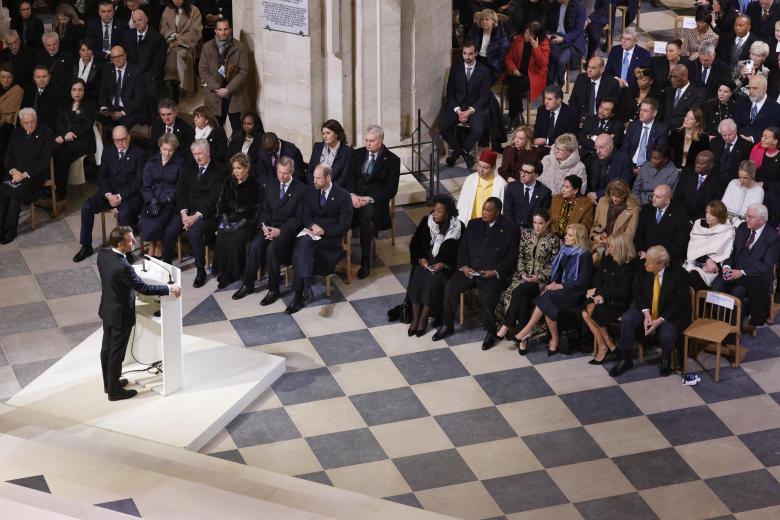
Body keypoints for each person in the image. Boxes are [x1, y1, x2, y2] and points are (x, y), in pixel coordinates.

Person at [97, 226, 181, 401]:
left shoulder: (104, 254)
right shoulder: (123, 268)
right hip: (121, 315)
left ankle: (109, 384)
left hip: (108, 309)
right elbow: (143, 288)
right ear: (120, 244)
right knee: (116, 354)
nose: (134, 241)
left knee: (107, 349)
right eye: (130, 240)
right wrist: (169, 288)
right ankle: (114, 393)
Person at [432, 197, 519, 350]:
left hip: (491, 274)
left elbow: (511, 259)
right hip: (469, 270)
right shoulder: (474, 224)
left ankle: (490, 331)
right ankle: (448, 324)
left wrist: (494, 272)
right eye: (483, 209)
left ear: (497, 212)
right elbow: (463, 248)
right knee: (450, 288)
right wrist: (464, 266)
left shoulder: (511, 229)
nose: (484, 213)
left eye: (488, 210)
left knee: (486, 298)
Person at [232, 156, 306, 303]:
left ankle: (274, 289)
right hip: (269, 227)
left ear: (292, 171)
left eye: (285, 173)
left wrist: (281, 231)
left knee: (272, 249)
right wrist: (264, 227)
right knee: (255, 245)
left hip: (287, 232)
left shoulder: (301, 189)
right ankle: (248, 284)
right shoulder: (270, 184)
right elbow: (264, 209)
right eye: (279, 172)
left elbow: (298, 219)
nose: (282, 176)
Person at [513, 223, 593, 355]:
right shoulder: (565, 250)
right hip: (562, 290)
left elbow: (583, 282)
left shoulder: (584, 255)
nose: (565, 237)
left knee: (548, 298)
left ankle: (528, 330)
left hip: (575, 293)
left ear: (579, 238)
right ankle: (554, 340)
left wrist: (560, 286)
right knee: (548, 299)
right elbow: (558, 273)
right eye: (566, 234)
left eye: (570, 235)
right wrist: (551, 285)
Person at [610, 245, 690, 377]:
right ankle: (625, 358)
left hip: (669, 313)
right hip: (647, 307)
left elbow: (678, 304)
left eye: (649, 262)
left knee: (667, 334)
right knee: (628, 319)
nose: (645, 263)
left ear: (659, 264)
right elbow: (637, 291)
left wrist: (659, 321)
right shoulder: (643, 267)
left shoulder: (680, 274)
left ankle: (665, 359)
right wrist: (646, 312)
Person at [285, 163, 353, 315]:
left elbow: (345, 225)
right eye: (313, 177)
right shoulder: (311, 191)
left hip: (329, 240)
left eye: (317, 178)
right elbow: (305, 214)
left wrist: (325, 231)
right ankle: (302, 291)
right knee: (303, 245)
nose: (313, 181)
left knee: (301, 251)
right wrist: (312, 224)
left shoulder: (343, 196)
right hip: (311, 233)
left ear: (328, 178)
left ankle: (301, 292)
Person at [73, 126, 146, 262]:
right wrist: (108, 195)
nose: (120, 143)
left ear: (129, 137)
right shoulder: (108, 151)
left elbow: (139, 181)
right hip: (109, 193)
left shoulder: (139, 153)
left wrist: (120, 196)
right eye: (117, 141)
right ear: (113, 140)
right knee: (87, 207)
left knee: (124, 214)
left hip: (129, 195)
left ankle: (126, 251)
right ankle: (86, 246)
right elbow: (102, 177)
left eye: (123, 140)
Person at [343, 125, 401, 279]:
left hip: (375, 202)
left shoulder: (393, 160)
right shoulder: (357, 154)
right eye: (366, 140)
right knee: (339, 209)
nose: (368, 144)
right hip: (354, 198)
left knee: (366, 215)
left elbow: (391, 190)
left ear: (381, 141)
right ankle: (336, 253)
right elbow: (349, 178)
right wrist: (353, 195)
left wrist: (369, 199)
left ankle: (365, 259)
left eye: (372, 141)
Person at [495, 208, 560, 341]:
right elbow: (520, 257)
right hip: (523, 277)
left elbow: (553, 265)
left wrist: (539, 276)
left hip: (540, 281)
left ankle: (506, 326)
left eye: (540, 223)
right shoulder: (526, 235)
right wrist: (523, 273)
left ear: (548, 223)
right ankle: (522, 338)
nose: (537, 226)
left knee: (519, 291)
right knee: (522, 298)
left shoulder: (554, 240)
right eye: (534, 223)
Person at [711, 204, 780, 327]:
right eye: (746, 216)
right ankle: (718, 325)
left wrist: (742, 272)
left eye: (750, 217)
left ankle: (732, 332)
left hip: (752, 276)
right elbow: (731, 251)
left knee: (737, 292)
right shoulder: (743, 228)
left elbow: (766, 265)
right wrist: (727, 267)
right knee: (716, 287)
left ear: (762, 220)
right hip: (733, 269)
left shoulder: (772, 236)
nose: (746, 219)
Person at [406, 195, 465, 336]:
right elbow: (415, 243)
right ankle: (415, 318)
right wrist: (420, 258)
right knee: (417, 276)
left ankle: (423, 319)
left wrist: (444, 263)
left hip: (445, 266)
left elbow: (461, 252)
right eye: (434, 210)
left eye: (439, 211)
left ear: (447, 214)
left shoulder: (458, 227)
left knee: (433, 280)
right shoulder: (426, 221)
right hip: (427, 259)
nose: (435, 214)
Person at [176, 139, 227, 288]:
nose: (197, 157)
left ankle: (200, 271)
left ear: (208, 152)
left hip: (209, 214)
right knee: (171, 227)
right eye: (194, 154)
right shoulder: (189, 167)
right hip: (188, 211)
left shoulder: (219, 170)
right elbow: (181, 191)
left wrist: (196, 216)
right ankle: (166, 264)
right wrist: (184, 214)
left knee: (194, 232)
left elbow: (213, 199)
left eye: (200, 153)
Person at [0, 108, 54, 244]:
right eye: (26, 123)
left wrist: (23, 175)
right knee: (2, 191)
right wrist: (13, 171)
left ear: (36, 120)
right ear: (21, 122)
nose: (30, 125)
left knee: (14, 195)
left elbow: (44, 162)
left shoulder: (46, 133)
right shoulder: (16, 132)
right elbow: (8, 155)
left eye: (32, 122)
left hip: (33, 177)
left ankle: (10, 230)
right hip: (15, 175)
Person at [582, 232, 638, 364]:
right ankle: (609, 344)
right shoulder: (608, 258)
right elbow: (598, 279)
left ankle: (605, 347)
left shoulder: (630, 265)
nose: (608, 249)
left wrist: (601, 294)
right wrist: (597, 294)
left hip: (619, 302)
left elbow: (622, 291)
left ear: (620, 248)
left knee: (589, 312)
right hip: (603, 297)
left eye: (611, 246)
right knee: (585, 311)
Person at [440, 39, 493, 169]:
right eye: (464, 53)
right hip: (457, 106)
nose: (467, 57)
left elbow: (485, 96)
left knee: (478, 129)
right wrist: (458, 110)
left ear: (476, 54)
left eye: (470, 54)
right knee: (443, 128)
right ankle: (462, 152)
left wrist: (469, 111)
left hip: (475, 108)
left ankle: (457, 153)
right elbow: (450, 93)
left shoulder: (484, 71)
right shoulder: (455, 68)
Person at [212, 153, 262, 289]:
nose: (236, 171)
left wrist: (237, 226)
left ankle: (232, 274)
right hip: (229, 219)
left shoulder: (255, 185)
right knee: (221, 236)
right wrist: (227, 222)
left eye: (239, 168)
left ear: (247, 168)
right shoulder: (228, 182)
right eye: (234, 168)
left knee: (234, 240)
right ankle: (223, 271)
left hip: (246, 223)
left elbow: (254, 211)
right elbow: (221, 204)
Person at [198, 18, 249, 135]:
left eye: (226, 29)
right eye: (220, 29)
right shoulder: (207, 47)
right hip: (215, 95)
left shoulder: (240, 47)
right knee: (214, 130)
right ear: (215, 31)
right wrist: (217, 88)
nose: (223, 32)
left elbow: (244, 71)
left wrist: (228, 89)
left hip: (235, 94)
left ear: (230, 30)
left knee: (238, 131)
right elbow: (203, 70)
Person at [138, 133, 184, 262]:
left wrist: (167, 199)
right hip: (151, 200)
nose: (167, 153)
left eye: (170, 150)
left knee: (158, 222)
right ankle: (152, 243)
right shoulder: (151, 161)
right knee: (143, 222)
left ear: (174, 150)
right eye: (165, 149)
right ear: (160, 148)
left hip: (169, 202)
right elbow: (145, 185)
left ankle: (158, 243)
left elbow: (180, 186)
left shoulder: (180, 163)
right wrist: (151, 200)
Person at [52, 79, 96, 202]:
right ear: (70, 91)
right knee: (51, 149)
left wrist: (72, 134)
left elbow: (86, 126)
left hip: (83, 140)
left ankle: (60, 191)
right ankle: (49, 186)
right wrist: (64, 134)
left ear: (84, 91)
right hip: (66, 137)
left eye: (80, 90)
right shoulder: (65, 103)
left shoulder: (90, 105)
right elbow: (58, 122)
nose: (77, 93)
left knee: (62, 154)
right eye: (74, 89)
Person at [504, 21, 549, 129]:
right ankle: (517, 116)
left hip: (533, 77)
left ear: (536, 36)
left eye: (530, 34)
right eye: (525, 33)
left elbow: (543, 64)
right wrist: (513, 68)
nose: (526, 36)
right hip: (518, 74)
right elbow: (508, 58)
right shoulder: (519, 40)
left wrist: (536, 48)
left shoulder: (544, 43)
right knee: (514, 83)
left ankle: (514, 117)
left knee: (513, 86)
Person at [683, 200, 736, 291]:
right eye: (707, 212)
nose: (708, 216)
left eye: (712, 214)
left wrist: (711, 263)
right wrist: (707, 259)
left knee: (694, 277)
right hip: (693, 262)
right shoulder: (698, 225)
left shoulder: (727, 231)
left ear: (720, 216)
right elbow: (693, 250)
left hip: (713, 269)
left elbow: (725, 254)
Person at [120, 9, 165, 108]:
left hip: (150, 73)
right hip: (131, 71)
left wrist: (144, 76)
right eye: (134, 21)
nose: (137, 23)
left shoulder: (157, 38)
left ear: (146, 19)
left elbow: (158, 63)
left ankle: (150, 116)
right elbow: (124, 57)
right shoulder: (127, 35)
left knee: (150, 88)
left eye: (140, 20)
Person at [634, 184, 691, 262]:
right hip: (645, 256)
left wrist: (662, 257)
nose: (653, 199)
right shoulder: (646, 209)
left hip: (667, 259)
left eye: (657, 197)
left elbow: (680, 243)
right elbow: (639, 235)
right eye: (653, 195)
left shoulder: (680, 214)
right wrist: (642, 251)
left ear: (667, 200)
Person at [98, 45, 147, 136]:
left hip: (130, 110)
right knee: (94, 118)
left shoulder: (136, 72)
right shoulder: (108, 69)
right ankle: (104, 148)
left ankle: (119, 147)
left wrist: (122, 113)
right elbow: (103, 91)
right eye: (114, 57)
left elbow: (139, 99)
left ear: (125, 55)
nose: (117, 59)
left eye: (119, 56)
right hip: (112, 109)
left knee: (121, 127)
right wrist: (104, 108)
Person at [160, 0, 203, 102]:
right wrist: (174, 35)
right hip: (171, 41)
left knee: (180, 54)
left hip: (188, 43)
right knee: (167, 53)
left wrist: (180, 41)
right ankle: (171, 89)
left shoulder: (194, 10)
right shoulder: (168, 10)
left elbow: (195, 30)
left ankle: (184, 88)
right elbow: (163, 27)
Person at [590, 179, 639, 262]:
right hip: (600, 241)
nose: (615, 199)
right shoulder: (602, 201)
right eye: (612, 195)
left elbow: (629, 234)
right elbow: (596, 224)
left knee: (605, 258)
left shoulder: (633, 209)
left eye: (619, 197)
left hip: (618, 247)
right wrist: (596, 236)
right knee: (592, 257)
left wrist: (610, 242)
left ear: (625, 195)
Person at [569, 57, 621, 128]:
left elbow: (614, 108)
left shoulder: (612, 83)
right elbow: (572, 101)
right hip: (582, 119)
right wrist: (577, 119)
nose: (589, 70)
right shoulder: (581, 78)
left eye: (593, 68)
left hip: (602, 120)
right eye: (588, 67)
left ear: (602, 70)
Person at [544, 0, 586, 87]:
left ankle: (560, 83)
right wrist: (548, 34)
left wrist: (563, 38)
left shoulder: (579, 8)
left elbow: (578, 31)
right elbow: (546, 25)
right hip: (555, 38)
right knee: (552, 57)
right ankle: (550, 83)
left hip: (572, 41)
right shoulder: (553, 6)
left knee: (561, 61)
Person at [503, 159, 552, 229]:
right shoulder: (512, 187)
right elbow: (507, 212)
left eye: (526, 172)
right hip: (512, 228)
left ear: (536, 175)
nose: (522, 175)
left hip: (532, 231)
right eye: (521, 171)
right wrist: (513, 229)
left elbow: (541, 217)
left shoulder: (544, 193)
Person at [622, 98, 668, 171]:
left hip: (649, 168)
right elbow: (625, 148)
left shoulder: (661, 130)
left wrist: (644, 169)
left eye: (645, 111)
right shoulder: (633, 126)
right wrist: (627, 165)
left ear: (654, 113)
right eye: (641, 110)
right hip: (629, 165)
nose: (641, 113)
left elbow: (658, 154)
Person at [467, 8, 510, 81]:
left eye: (487, 19)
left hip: (491, 63)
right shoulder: (475, 29)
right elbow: (468, 43)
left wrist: (496, 65)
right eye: (482, 19)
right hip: (477, 60)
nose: (484, 22)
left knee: (481, 81)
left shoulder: (499, 32)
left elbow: (503, 51)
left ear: (493, 21)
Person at [586, 134, 633, 200]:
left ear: (611, 147)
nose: (598, 151)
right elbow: (587, 180)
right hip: (592, 199)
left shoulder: (624, 160)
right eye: (596, 147)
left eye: (601, 147)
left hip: (613, 200)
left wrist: (598, 195)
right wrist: (589, 194)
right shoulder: (593, 158)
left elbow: (623, 185)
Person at [734, 75, 779, 144]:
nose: (751, 91)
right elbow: (736, 124)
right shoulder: (742, 103)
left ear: (764, 88)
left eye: (755, 88)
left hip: (762, 146)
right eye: (749, 88)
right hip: (740, 144)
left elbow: (771, 131)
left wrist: (753, 139)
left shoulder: (775, 108)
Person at [306, 119, 353, 185]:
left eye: (328, 133)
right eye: (323, 133)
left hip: (335, 190)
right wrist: (314, 185)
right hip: (315, 188)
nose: (325, 136)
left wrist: (329, 189)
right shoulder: (317, 147)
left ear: (336, 134)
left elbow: (343, 178)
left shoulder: (347, 151)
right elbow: (310, 171)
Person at [578, 98, 624, 162]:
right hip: (583, 156)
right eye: (601, 107)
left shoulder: (618, 127)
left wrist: (591, 136)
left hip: (601, 161)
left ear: (612, 114)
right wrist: (600, 144)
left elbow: (610, 147)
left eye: (606, 110)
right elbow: (582, 139)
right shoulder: (590, 119)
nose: (601, 111)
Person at [532, 85, 578, 149]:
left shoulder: (570, 113)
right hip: (541, 148)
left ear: (559, 100)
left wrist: (547, 141)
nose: (546, 102)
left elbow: (569, 139)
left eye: (549, 99)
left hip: (562, 149)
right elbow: (537, 131)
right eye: (545, 98)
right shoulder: (541, 110)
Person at [662, 65, 704, 130]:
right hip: (664, 130)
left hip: (681, 132)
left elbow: (692, 117)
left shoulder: (697, 94)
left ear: (685, 77)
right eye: (671, 77)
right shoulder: (669, 91)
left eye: (675, 77)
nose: (672, 80)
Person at [723, 160, 765, 225]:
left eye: (745, 178)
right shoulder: (733, 183)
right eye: (740, 177)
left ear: (752, 175)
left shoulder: (759, 191)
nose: (741, 181)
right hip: (724, 220)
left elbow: (752, 216)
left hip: (743, 225)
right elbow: (722, 207)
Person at [712, 118, 752, 182]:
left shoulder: (746, 146)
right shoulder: (715, 142)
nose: (727, 138)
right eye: (724, 135)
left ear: (735, 131)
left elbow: (744, 169)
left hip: (734, 181)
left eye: (730, 134)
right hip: (715, 179)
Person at [21, 66, 61, 131]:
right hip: (27, 128)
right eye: (38, 77)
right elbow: (23, 111)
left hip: (46, 130)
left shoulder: (56, 93)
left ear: (49, 77)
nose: (41, 80)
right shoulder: (29, 90)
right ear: (34, 78)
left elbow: (55, 118)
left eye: (44, 76)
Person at [755, 127, 780, 224]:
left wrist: (764, 184)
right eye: (762, 136)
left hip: (773, 194)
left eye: (766, 137)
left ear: (775, 141)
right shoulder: (757, 150)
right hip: (755, 190)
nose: (762, 139)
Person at [0, 64, 23, 163]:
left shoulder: (18, 90)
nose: (5, 80)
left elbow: (15, 111)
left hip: (8, 127)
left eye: (9, 77)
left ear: (13, 78)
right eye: (3, 77)